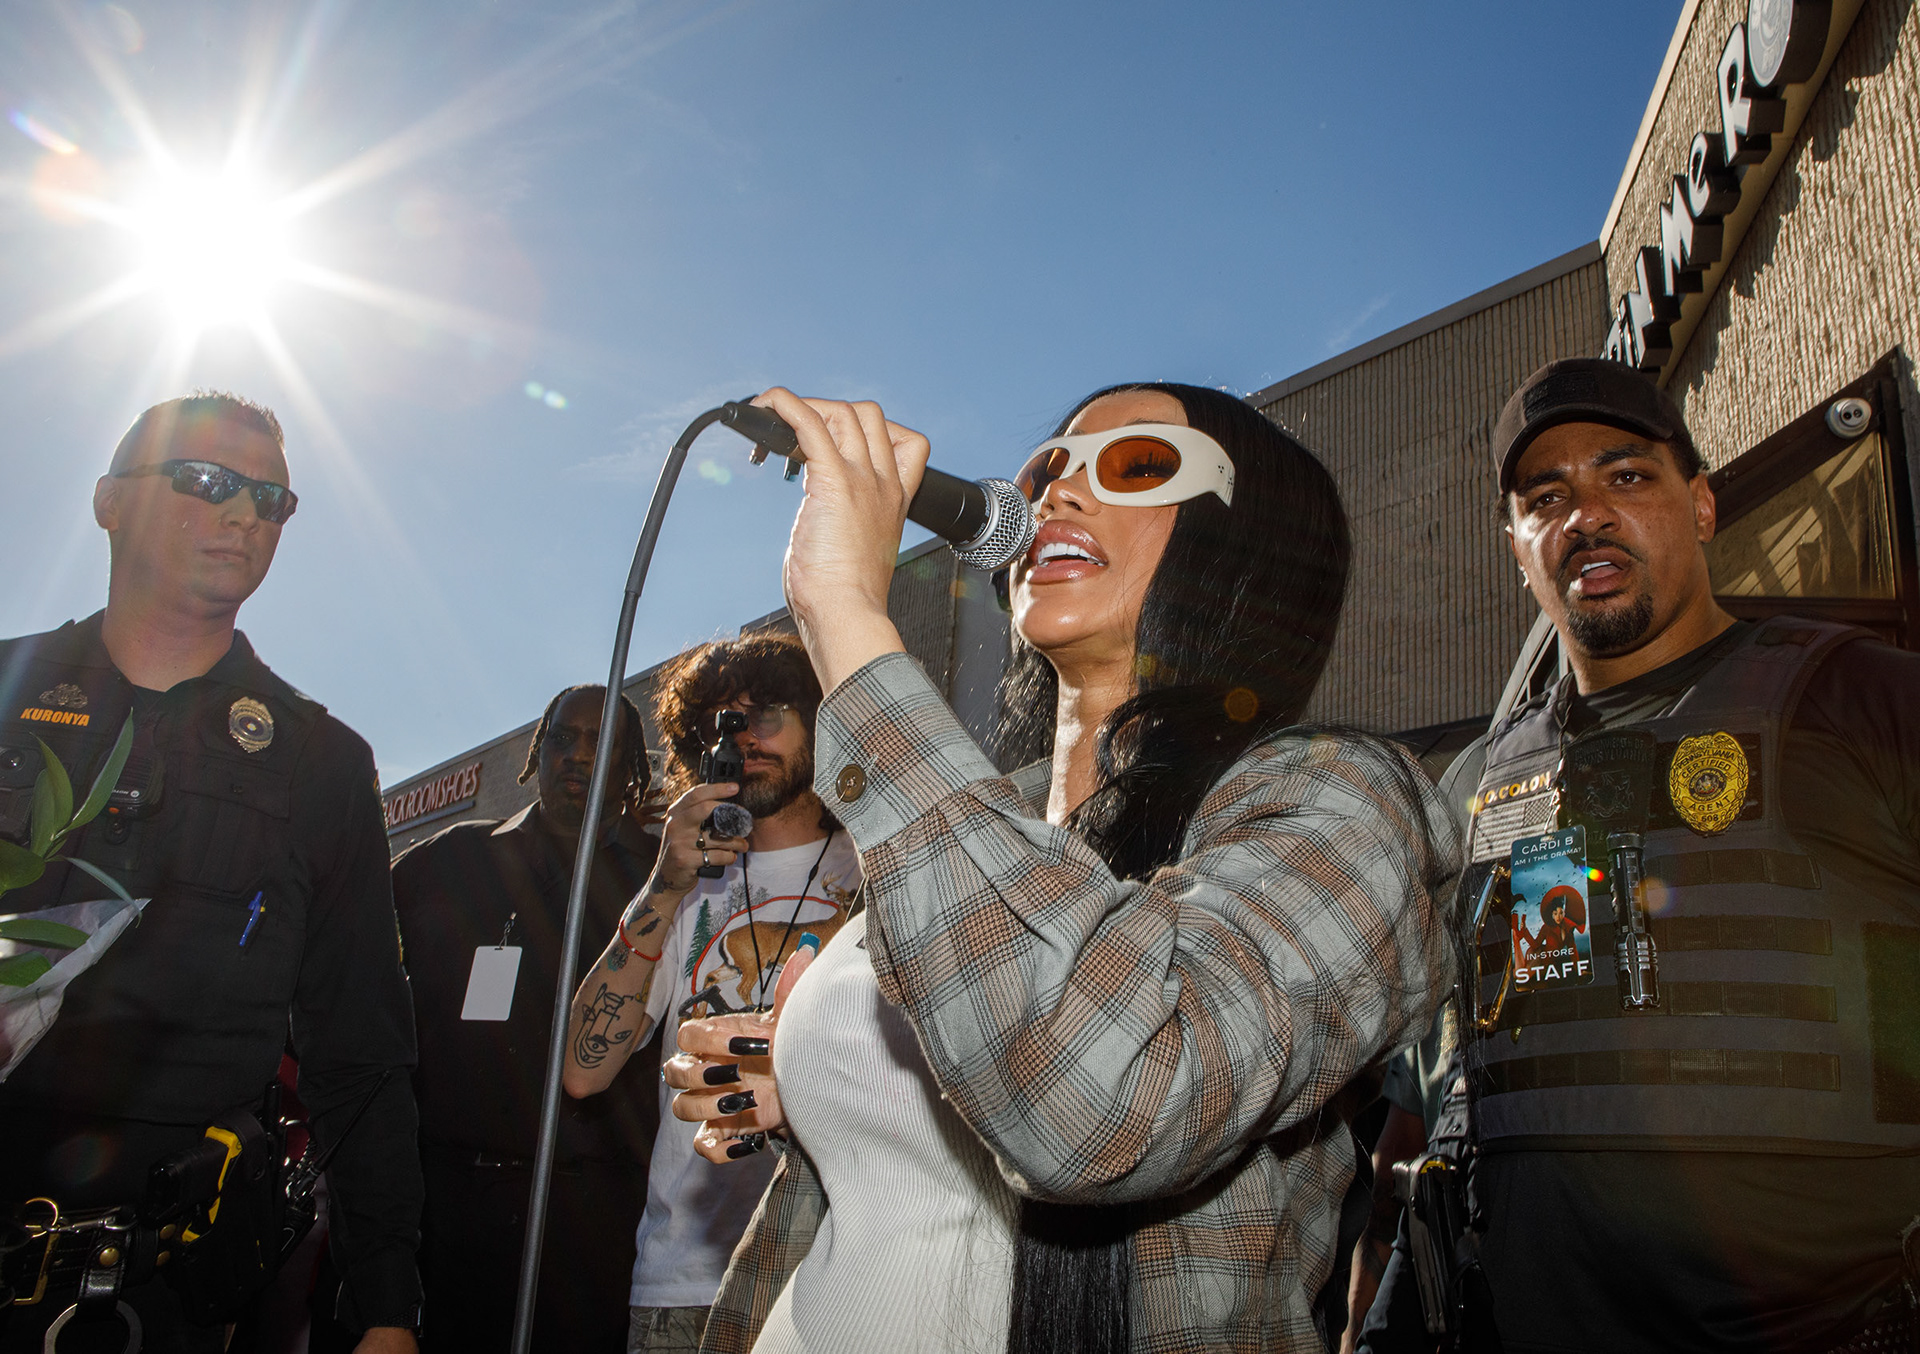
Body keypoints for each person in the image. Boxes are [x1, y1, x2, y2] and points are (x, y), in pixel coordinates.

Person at [662, 383, 1461, 1354]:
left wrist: (844, 616)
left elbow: (1111, 1103)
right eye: (1048, 469)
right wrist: (823, 1081)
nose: (1060, 494)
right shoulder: (966, 821)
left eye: (1135, 464)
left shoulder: (1341, 800)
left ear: (1244, 546)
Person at [1358, 357, 1920, 1353]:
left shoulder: (1858, 699)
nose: (1588, 515)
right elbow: (1512, 1056)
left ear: (1701, 507)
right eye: (1548, 497)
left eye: (1627, 477)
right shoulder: (1503, 777)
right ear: (1519, 548)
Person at [0, 394, 420, 1353]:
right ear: (109, 500)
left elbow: (359, 1051)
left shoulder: (321, 762)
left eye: (273, 498)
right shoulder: (6, 692)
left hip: (158, 1303)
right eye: (207, 481)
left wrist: (387, 1310)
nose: (246, 514)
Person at [560, 635, 860, 1354]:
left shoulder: (874, 865)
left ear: (820, 723)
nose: (745, 739)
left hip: (840, 1272)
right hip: (684, 1286)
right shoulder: (686, 881)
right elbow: (582, 1069)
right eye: (722, 724)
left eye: (767, 714)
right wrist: (666, 883)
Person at [392, 683, 662, 1352]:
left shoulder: (669, 877)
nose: (578, 755)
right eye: (562, 739)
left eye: (603, 744)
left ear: (634, 768)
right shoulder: (450, 860)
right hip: (451, 1209)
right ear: (535, 754)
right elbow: (347, 967)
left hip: (599, 1218)